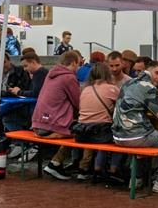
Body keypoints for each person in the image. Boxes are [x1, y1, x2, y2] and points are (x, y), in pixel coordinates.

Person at [112, 63, 158, 190]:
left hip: (117, 136)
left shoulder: (129, 83)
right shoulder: (149, 87)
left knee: (145, 139)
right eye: (157, 73)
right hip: (133, 137)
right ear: (148, 70)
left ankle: (137, 179)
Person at [31, 50, 81, 180]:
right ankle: (58, 164)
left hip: (37, 125)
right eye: (79, 64)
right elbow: (78, 102)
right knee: (81, 133)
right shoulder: (69, 77)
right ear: (74, 62)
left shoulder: (50, 75)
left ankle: (57, 164)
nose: (79, 67)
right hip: (51, 127)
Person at [73, 61, 119, 180]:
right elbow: (121, 104)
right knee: (119, 138)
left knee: (95, 131)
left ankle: (86, 169)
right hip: (101, 132)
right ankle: (113, 170)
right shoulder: (112, 89)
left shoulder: (85, 89)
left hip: (82, 132)